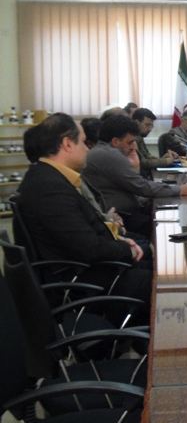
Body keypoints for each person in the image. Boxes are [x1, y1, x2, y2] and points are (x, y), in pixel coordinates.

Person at [15, 113, 152, 315]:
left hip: (90, 271)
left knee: (158, 266)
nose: (87, 148)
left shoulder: (48, 177)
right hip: (85, 283)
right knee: (165, 283)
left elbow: (83, 233)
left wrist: (121, 241)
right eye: (82, 142)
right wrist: (126, 249)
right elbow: (89, 248)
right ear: (67, 144)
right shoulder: (50, 189)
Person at [83, 114, 187, 237]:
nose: (133, 147)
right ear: (115, 141)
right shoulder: (110, 155)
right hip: (123, 219)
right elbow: (142, 187)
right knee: (171, 227)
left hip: (128, 214)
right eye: (130, 142)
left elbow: (136, 183)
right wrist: (181, 189)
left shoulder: (104, 151)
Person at [132, 107, 179, 176]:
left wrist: (162, 158)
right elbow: (143, 163)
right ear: (137, 122)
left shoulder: (139, 137)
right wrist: (166, 161)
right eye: (147, 125)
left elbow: (147, 156)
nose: (150, 129)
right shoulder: (131, 139)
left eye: (151, 126)